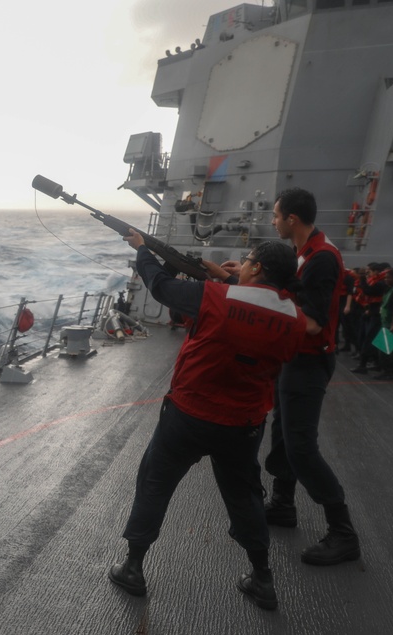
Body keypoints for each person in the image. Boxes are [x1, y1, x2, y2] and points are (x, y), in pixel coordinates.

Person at [109, 230, 315, 611]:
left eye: (249, 260)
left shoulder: (215, 297)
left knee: (155, 483)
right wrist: (230, 279)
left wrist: (142, 250)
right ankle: (262, 578)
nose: (245, 264)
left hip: (188, 415)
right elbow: (260, 310)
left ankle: (133, 567)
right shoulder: (295, 319)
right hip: (243, 425)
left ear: (256, 267)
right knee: (245, 498)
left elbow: (160, 286)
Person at [261, 187, 361, 566]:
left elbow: (316, 324)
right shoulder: (302, 254)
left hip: (308, 362)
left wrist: (268, 305)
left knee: (301, 446)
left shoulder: (321, 258)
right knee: (283, 433)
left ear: (292, 220)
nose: (273, 221)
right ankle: (283, 504)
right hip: (293, 359)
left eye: (276, 215)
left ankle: (343, 531)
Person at [351, 263, 389, 374]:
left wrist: (362, 277)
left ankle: (390, 369)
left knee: (371, 340)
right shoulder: (382, 285)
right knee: (370, 339)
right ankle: (380, 365)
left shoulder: (384, 286)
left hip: (383, 318)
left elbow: (368, 291)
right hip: (377, 314)